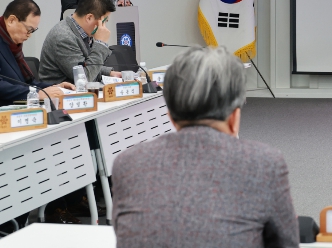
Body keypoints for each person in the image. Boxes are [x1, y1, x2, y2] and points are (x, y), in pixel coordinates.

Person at [112, 46, 299, 248]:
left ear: (171, 117)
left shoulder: (127, 163)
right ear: (234, 117)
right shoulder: (264, 163)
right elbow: (286, 243)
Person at [0, 0, 74, 109]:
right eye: (29, 29)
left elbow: (28, 84)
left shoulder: (12, 45)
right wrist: (38, 94)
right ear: (11, 20)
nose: (29, 35)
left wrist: (56, 87)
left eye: (33, 31)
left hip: (19, 110)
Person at [39, 0, 122, 84]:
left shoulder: (82, 32)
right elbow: (84, 78)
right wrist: (101, 43)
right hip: (59, 92)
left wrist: (110, 73)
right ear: (89, 18)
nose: (104, 27)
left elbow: (87, 65)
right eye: (104, 22)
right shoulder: (64, 37)